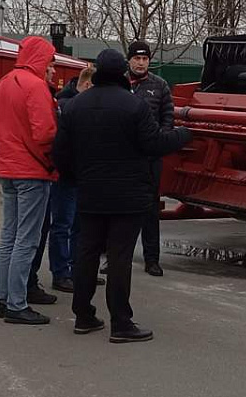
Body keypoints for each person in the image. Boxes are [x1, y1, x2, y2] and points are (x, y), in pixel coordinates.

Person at [53, 48, 191, 343]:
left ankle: (83, 315)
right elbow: (154, 143)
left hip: (89, 192)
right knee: (119, 257)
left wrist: (78, 177)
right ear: (122, 72)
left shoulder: (76, 106)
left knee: (87, 252)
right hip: (128, 195)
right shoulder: (134, 106)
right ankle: (121, 322)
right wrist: (184, 134)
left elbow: (60, 153)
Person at [0, 35, 59, 325]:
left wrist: (11, 148)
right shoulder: (36, 87)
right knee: (26, 240)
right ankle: (17, 303)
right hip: (33, 170)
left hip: (8, 168)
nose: (51, 67)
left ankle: (6, 299)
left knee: (9, 236)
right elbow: (45, 133)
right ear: (41, 59)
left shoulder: (3, 83)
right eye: (50, 61)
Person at [125, 40, 175, 276]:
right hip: (123, 158)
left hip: (150, 159)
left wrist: (159, 140)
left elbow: (168, 117)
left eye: (145, 59)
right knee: (120, 210)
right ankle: (114, 256)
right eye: (137, 59)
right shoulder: (120, 84)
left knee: (150, 210)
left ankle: (152, 259)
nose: (141, 63)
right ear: (129, 60)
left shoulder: (160, 85)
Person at [47, 65, 98, 293]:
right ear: (87, 86)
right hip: (67, 175)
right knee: (62, 224)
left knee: (79, 225)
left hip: (81, 175)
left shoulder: (72, 103)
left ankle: (78, 269)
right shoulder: (66, 105)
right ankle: (61, 272)